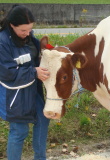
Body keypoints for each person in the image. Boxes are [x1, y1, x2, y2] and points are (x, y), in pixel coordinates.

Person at [0, 4, 50, 160]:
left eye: (30, 29)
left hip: (33, 90)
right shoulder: (2, 43)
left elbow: (33, 58)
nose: (28, 33)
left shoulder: (29, 37)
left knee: (43, 120)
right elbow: (8, 73)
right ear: (11, 25)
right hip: (15, 95)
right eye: (23, 30)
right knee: (19, 131)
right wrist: (34, 72)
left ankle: (40, 158)